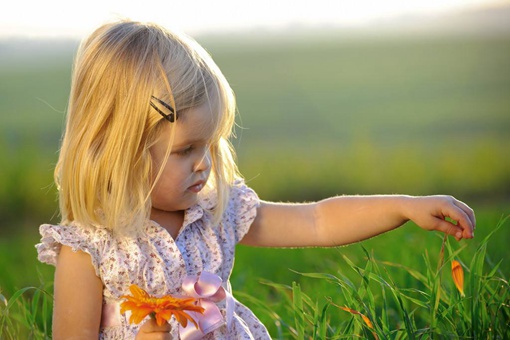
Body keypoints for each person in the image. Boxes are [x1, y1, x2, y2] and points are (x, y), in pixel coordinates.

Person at [36, 20, 475, 339]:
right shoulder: (89, 249)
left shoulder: (213, 215)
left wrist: (403, 206)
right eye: (184, 150)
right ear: (119, 152)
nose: (203, 163)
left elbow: (318, 221)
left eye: (209, 144)